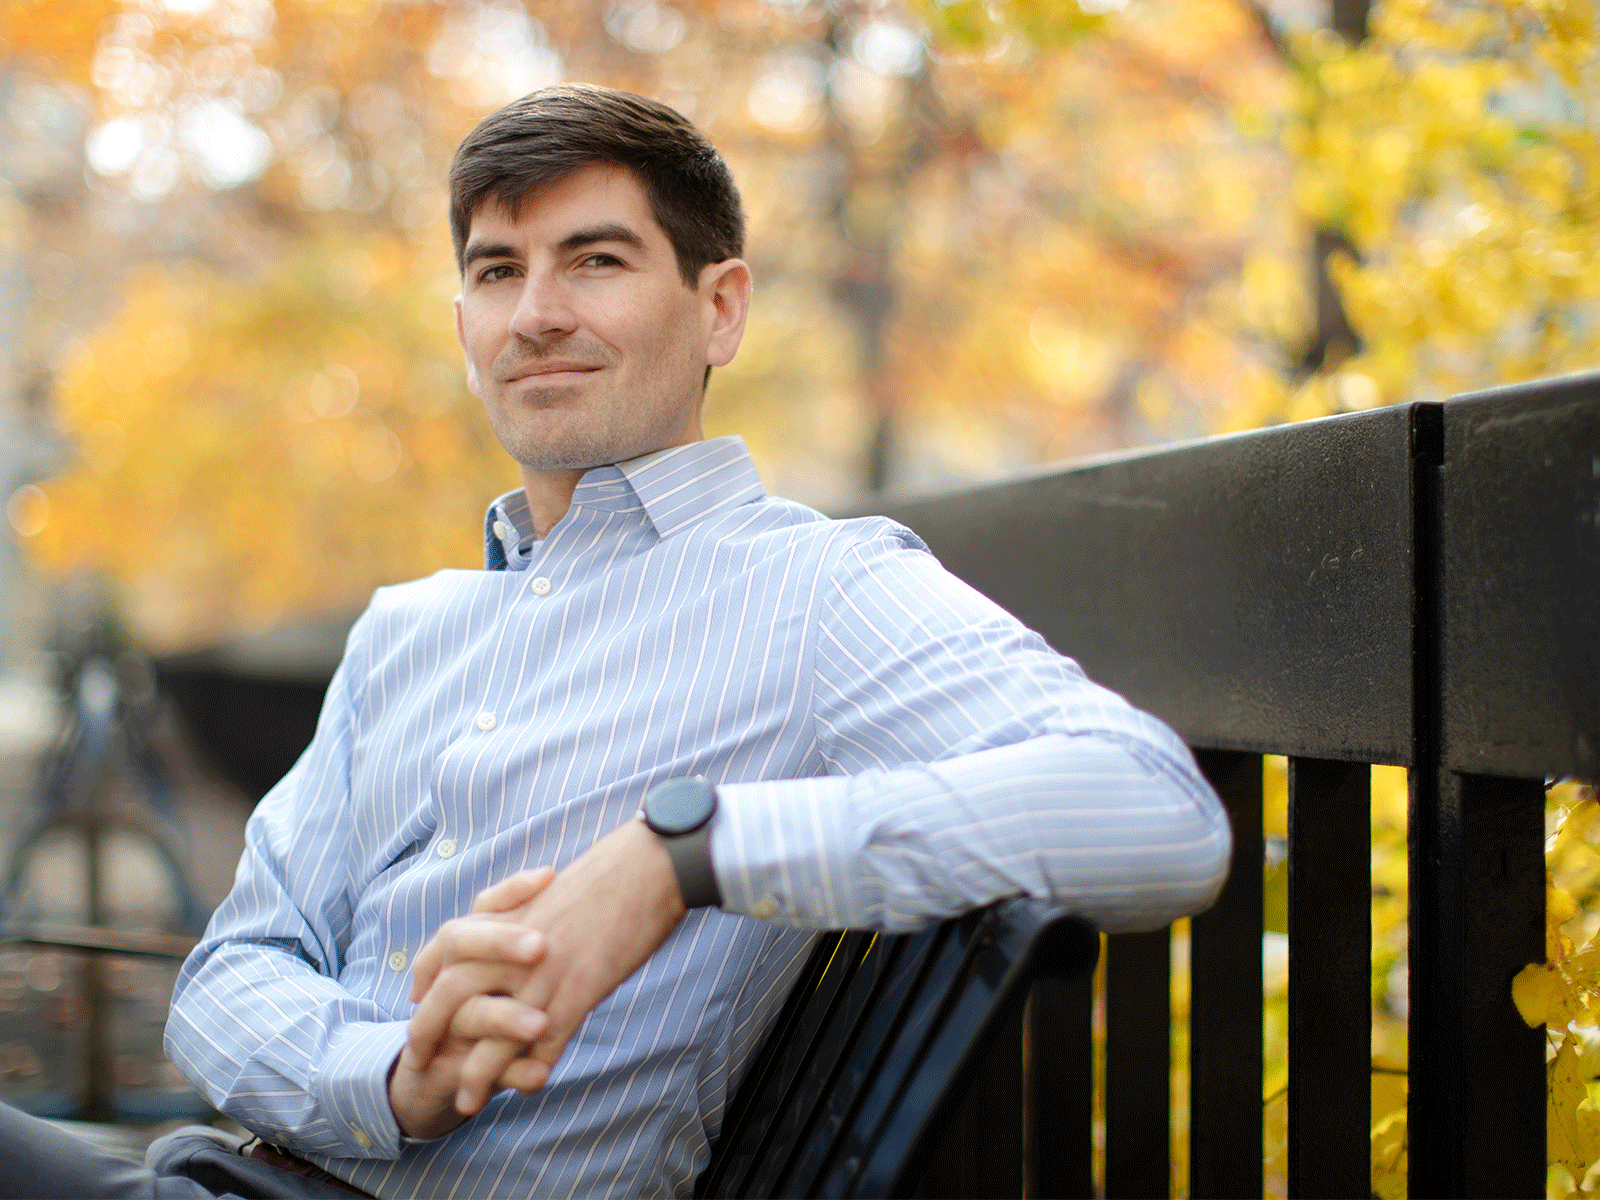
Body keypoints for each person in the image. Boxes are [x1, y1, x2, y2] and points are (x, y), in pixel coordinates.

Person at [0, 84, 1231, 1199]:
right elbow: (232, 971)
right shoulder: (407, 630)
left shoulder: (813, 591)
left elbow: (1156, 813)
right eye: (496, 272)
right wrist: (384, 1080)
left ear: (720, 309)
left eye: (595, 260)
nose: (537, 314)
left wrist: (678, 855)